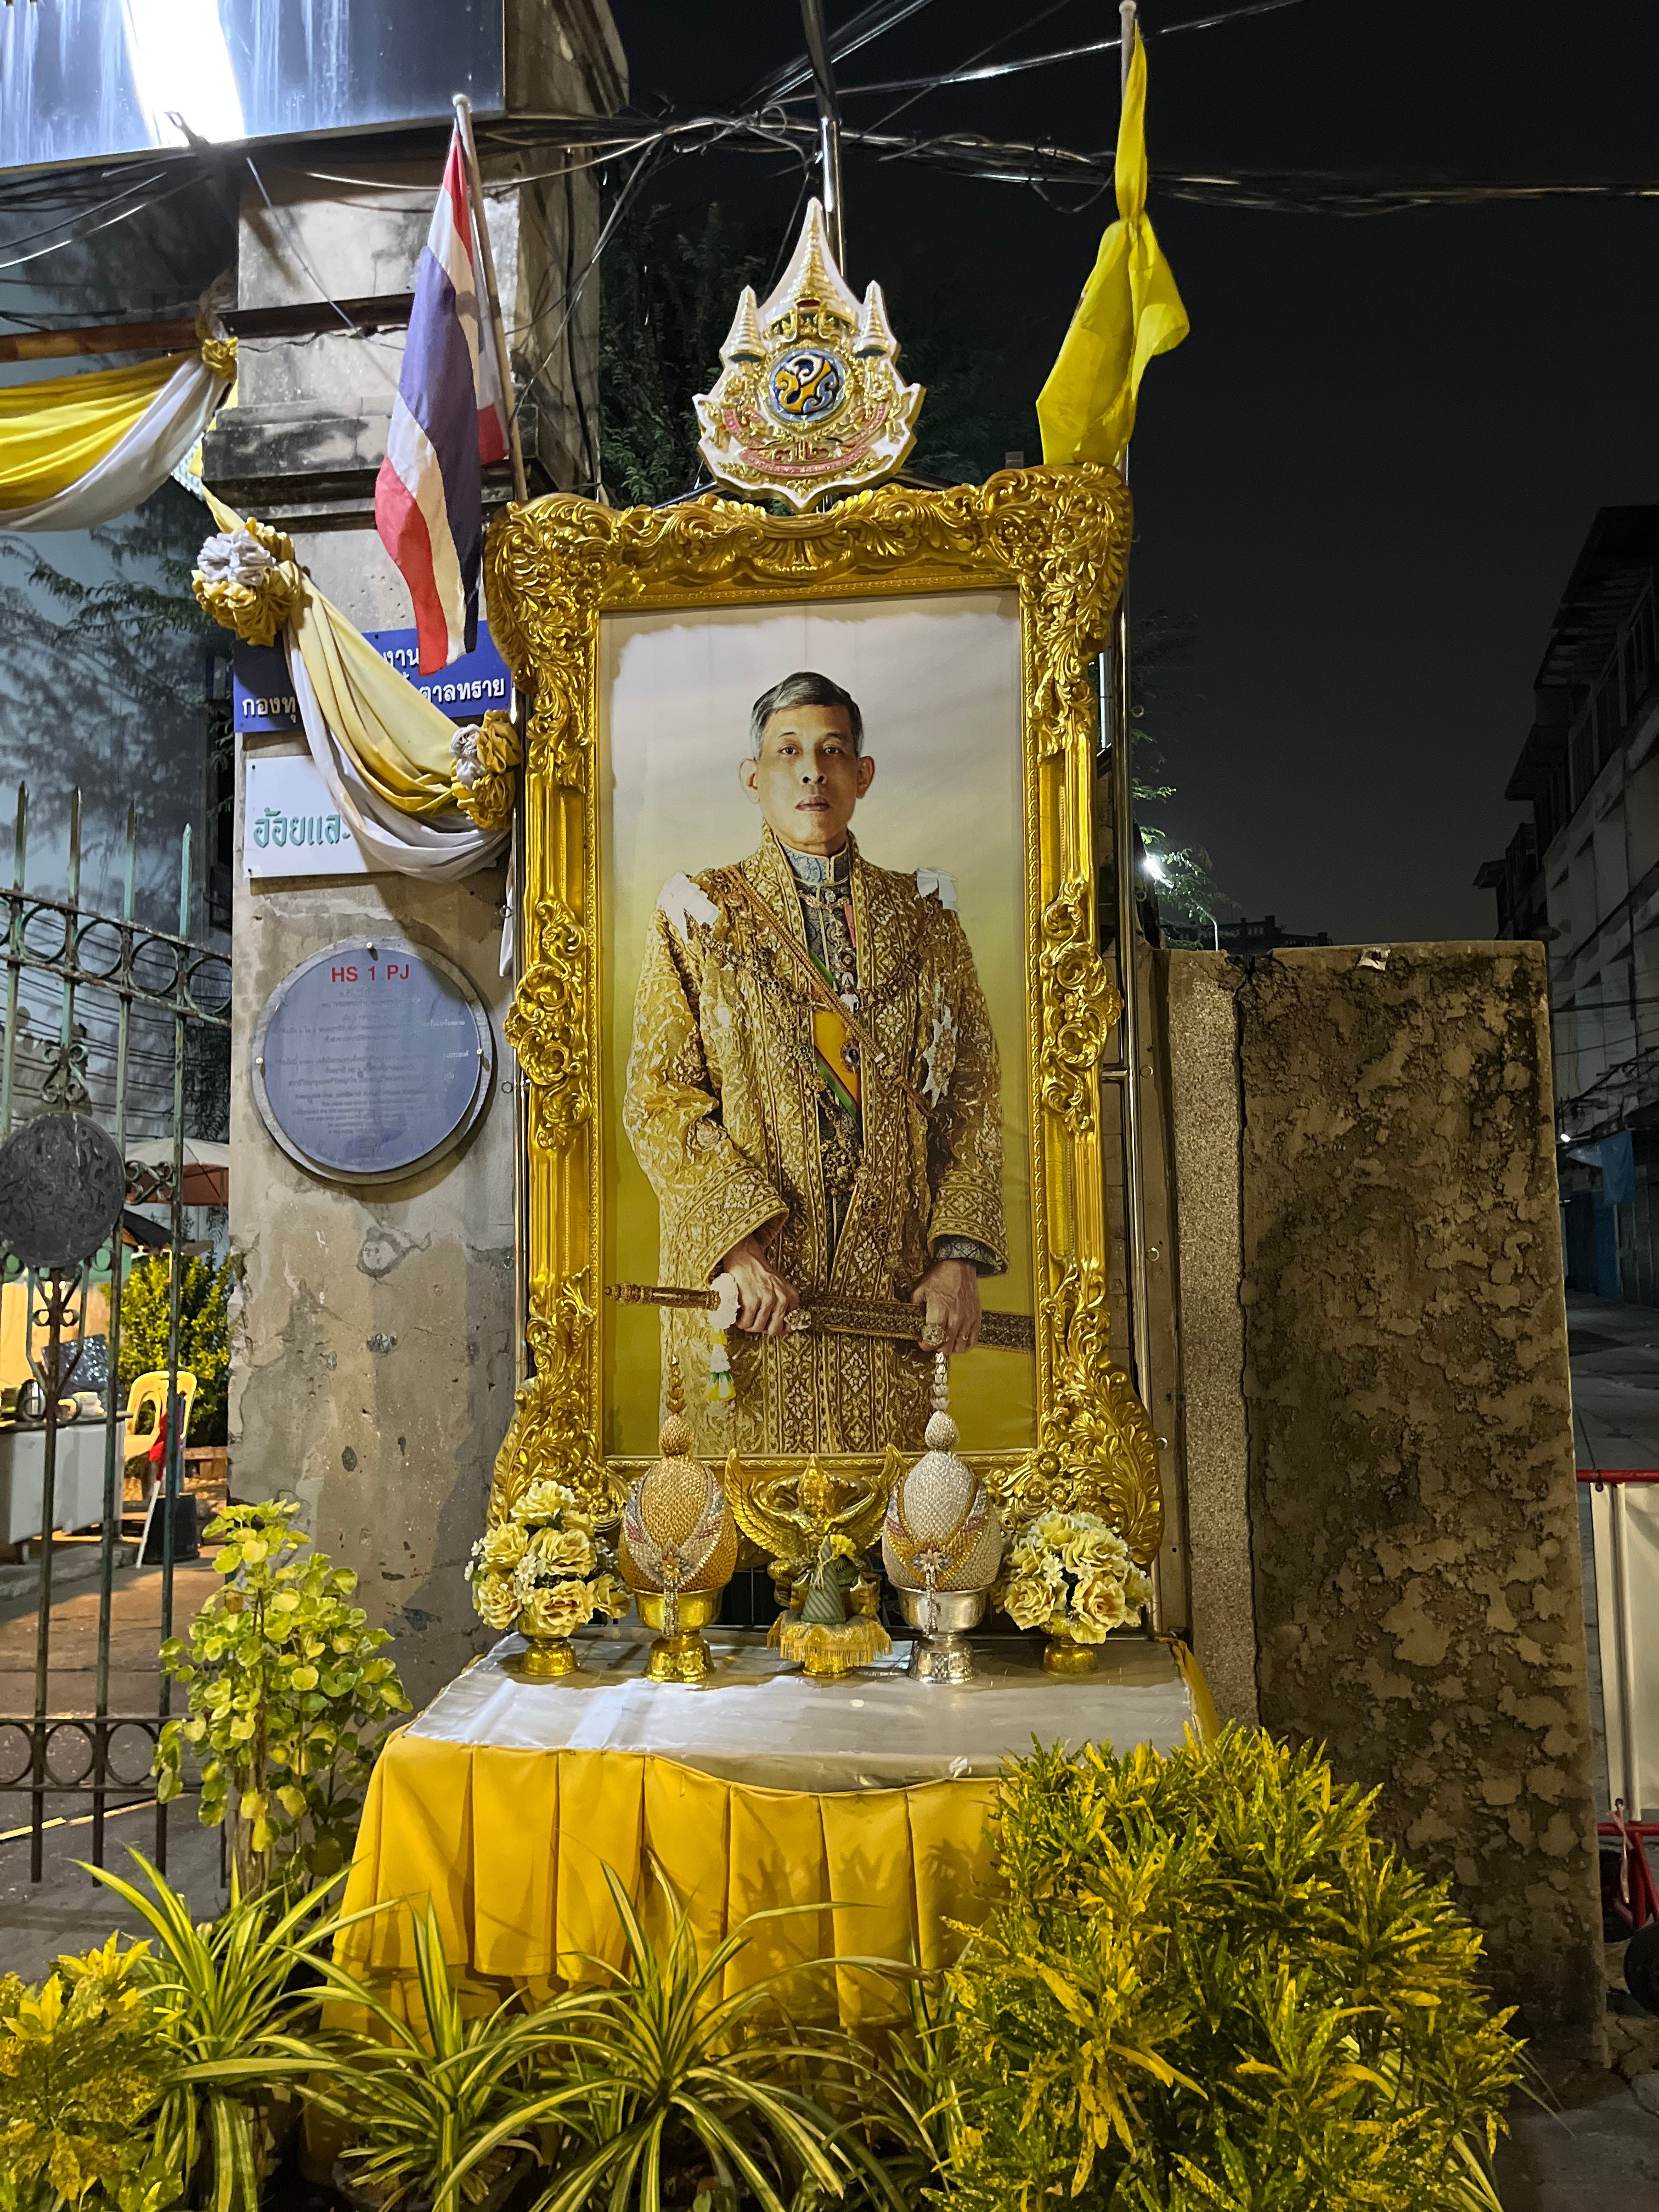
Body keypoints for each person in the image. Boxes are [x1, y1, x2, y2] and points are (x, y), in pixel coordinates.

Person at [623, 670, 1005, 1455]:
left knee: (897, 1516)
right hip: (753, 1298)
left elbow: (970, 1096)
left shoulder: (926, 922)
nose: (811, 772)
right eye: (788, 752)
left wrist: (956, 1260)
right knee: (739, 1519)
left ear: (862, 774)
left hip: (892, 1296)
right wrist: (736, 1246)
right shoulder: (700, 916)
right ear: (753, 777)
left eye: (832, 752)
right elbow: (660, 1097)